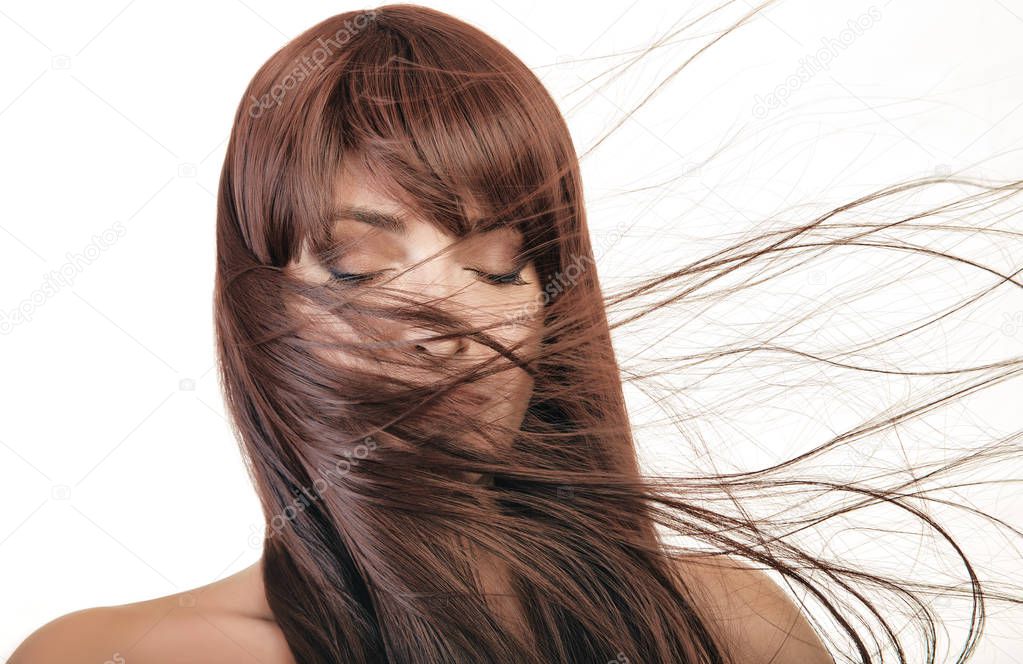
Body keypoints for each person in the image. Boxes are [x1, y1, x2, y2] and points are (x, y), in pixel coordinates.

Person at [12, 3, 1020, 663]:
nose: (443, 320)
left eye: (499, 261)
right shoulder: (107, 655)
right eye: (358, 267)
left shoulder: (730, 631)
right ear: (259, 306)